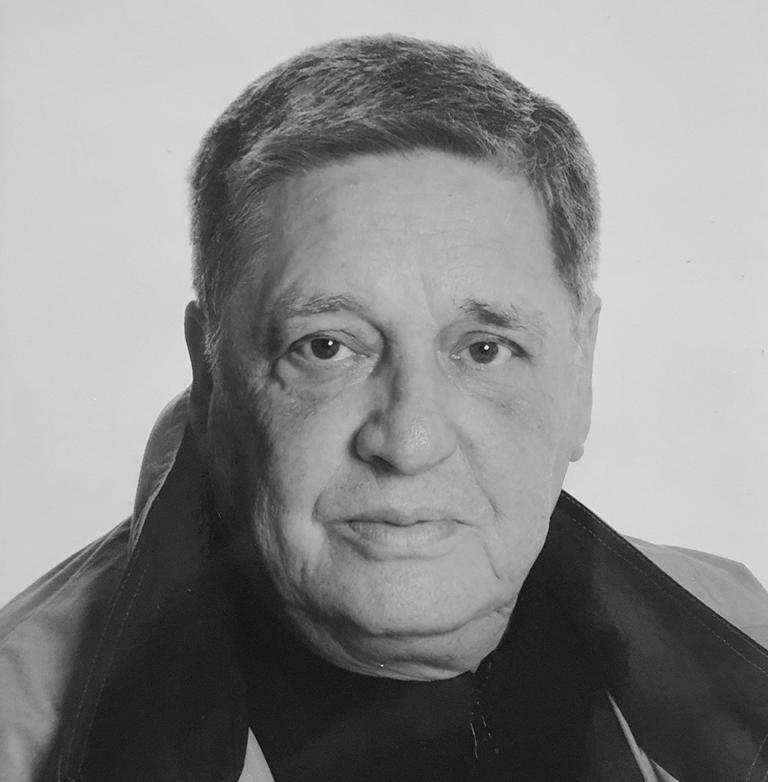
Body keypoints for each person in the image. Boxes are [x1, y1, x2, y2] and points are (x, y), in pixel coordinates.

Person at [1, 34, 767, 782]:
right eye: (327, 347)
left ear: (582, 371)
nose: (409, 440)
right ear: (209, 374)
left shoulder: (746, 626)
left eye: (484, 349)